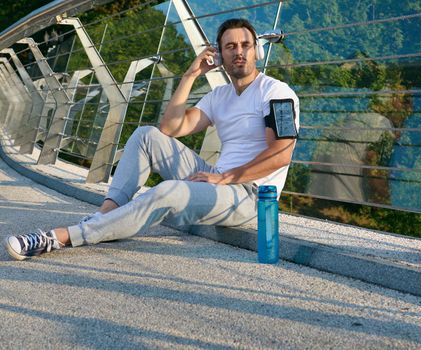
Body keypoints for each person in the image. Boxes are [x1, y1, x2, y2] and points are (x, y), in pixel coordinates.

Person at [3, 18, 300, 261]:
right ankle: (105, 214)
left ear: (257, 51)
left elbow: (281, 153)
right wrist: (190, 76)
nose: (239, 52)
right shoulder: (219, 95)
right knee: (146, 135)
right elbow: (171, 128)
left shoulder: (276, 93)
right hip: (219, 182)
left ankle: (61, 237)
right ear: (219, 55)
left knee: (168, 191)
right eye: (231, 46)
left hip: (251, 196)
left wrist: (225, 178)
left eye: (246, 45)